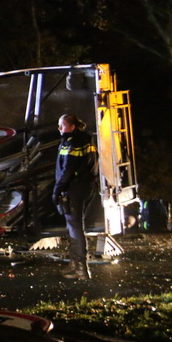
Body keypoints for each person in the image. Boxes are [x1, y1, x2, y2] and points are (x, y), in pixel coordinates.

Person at [52, 113, 99, 280]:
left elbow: (68, 170)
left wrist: (57, 190)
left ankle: (80, 268)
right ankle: (75, 264)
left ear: (72, 127)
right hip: (87, 187)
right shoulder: (86, 140)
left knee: (75, 227)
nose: (59, 128)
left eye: (62, 125)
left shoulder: (72, 143)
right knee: (76, 225)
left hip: (74, 189)